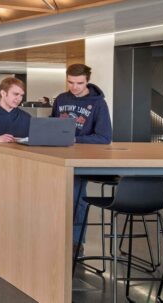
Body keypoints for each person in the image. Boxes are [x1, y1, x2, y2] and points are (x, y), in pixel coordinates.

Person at [52, 63, 112, 258]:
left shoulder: (98, 103)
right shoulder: (61, 99)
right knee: (56, 199)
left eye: (79, 83)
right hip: (59, 157)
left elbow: (104, 138)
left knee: (77, 199)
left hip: (81, 160)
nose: (74, 87)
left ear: (87, 81)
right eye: (70, 82)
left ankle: (76, 242)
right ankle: (56, 238)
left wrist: (75, 139)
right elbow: (51, 126)